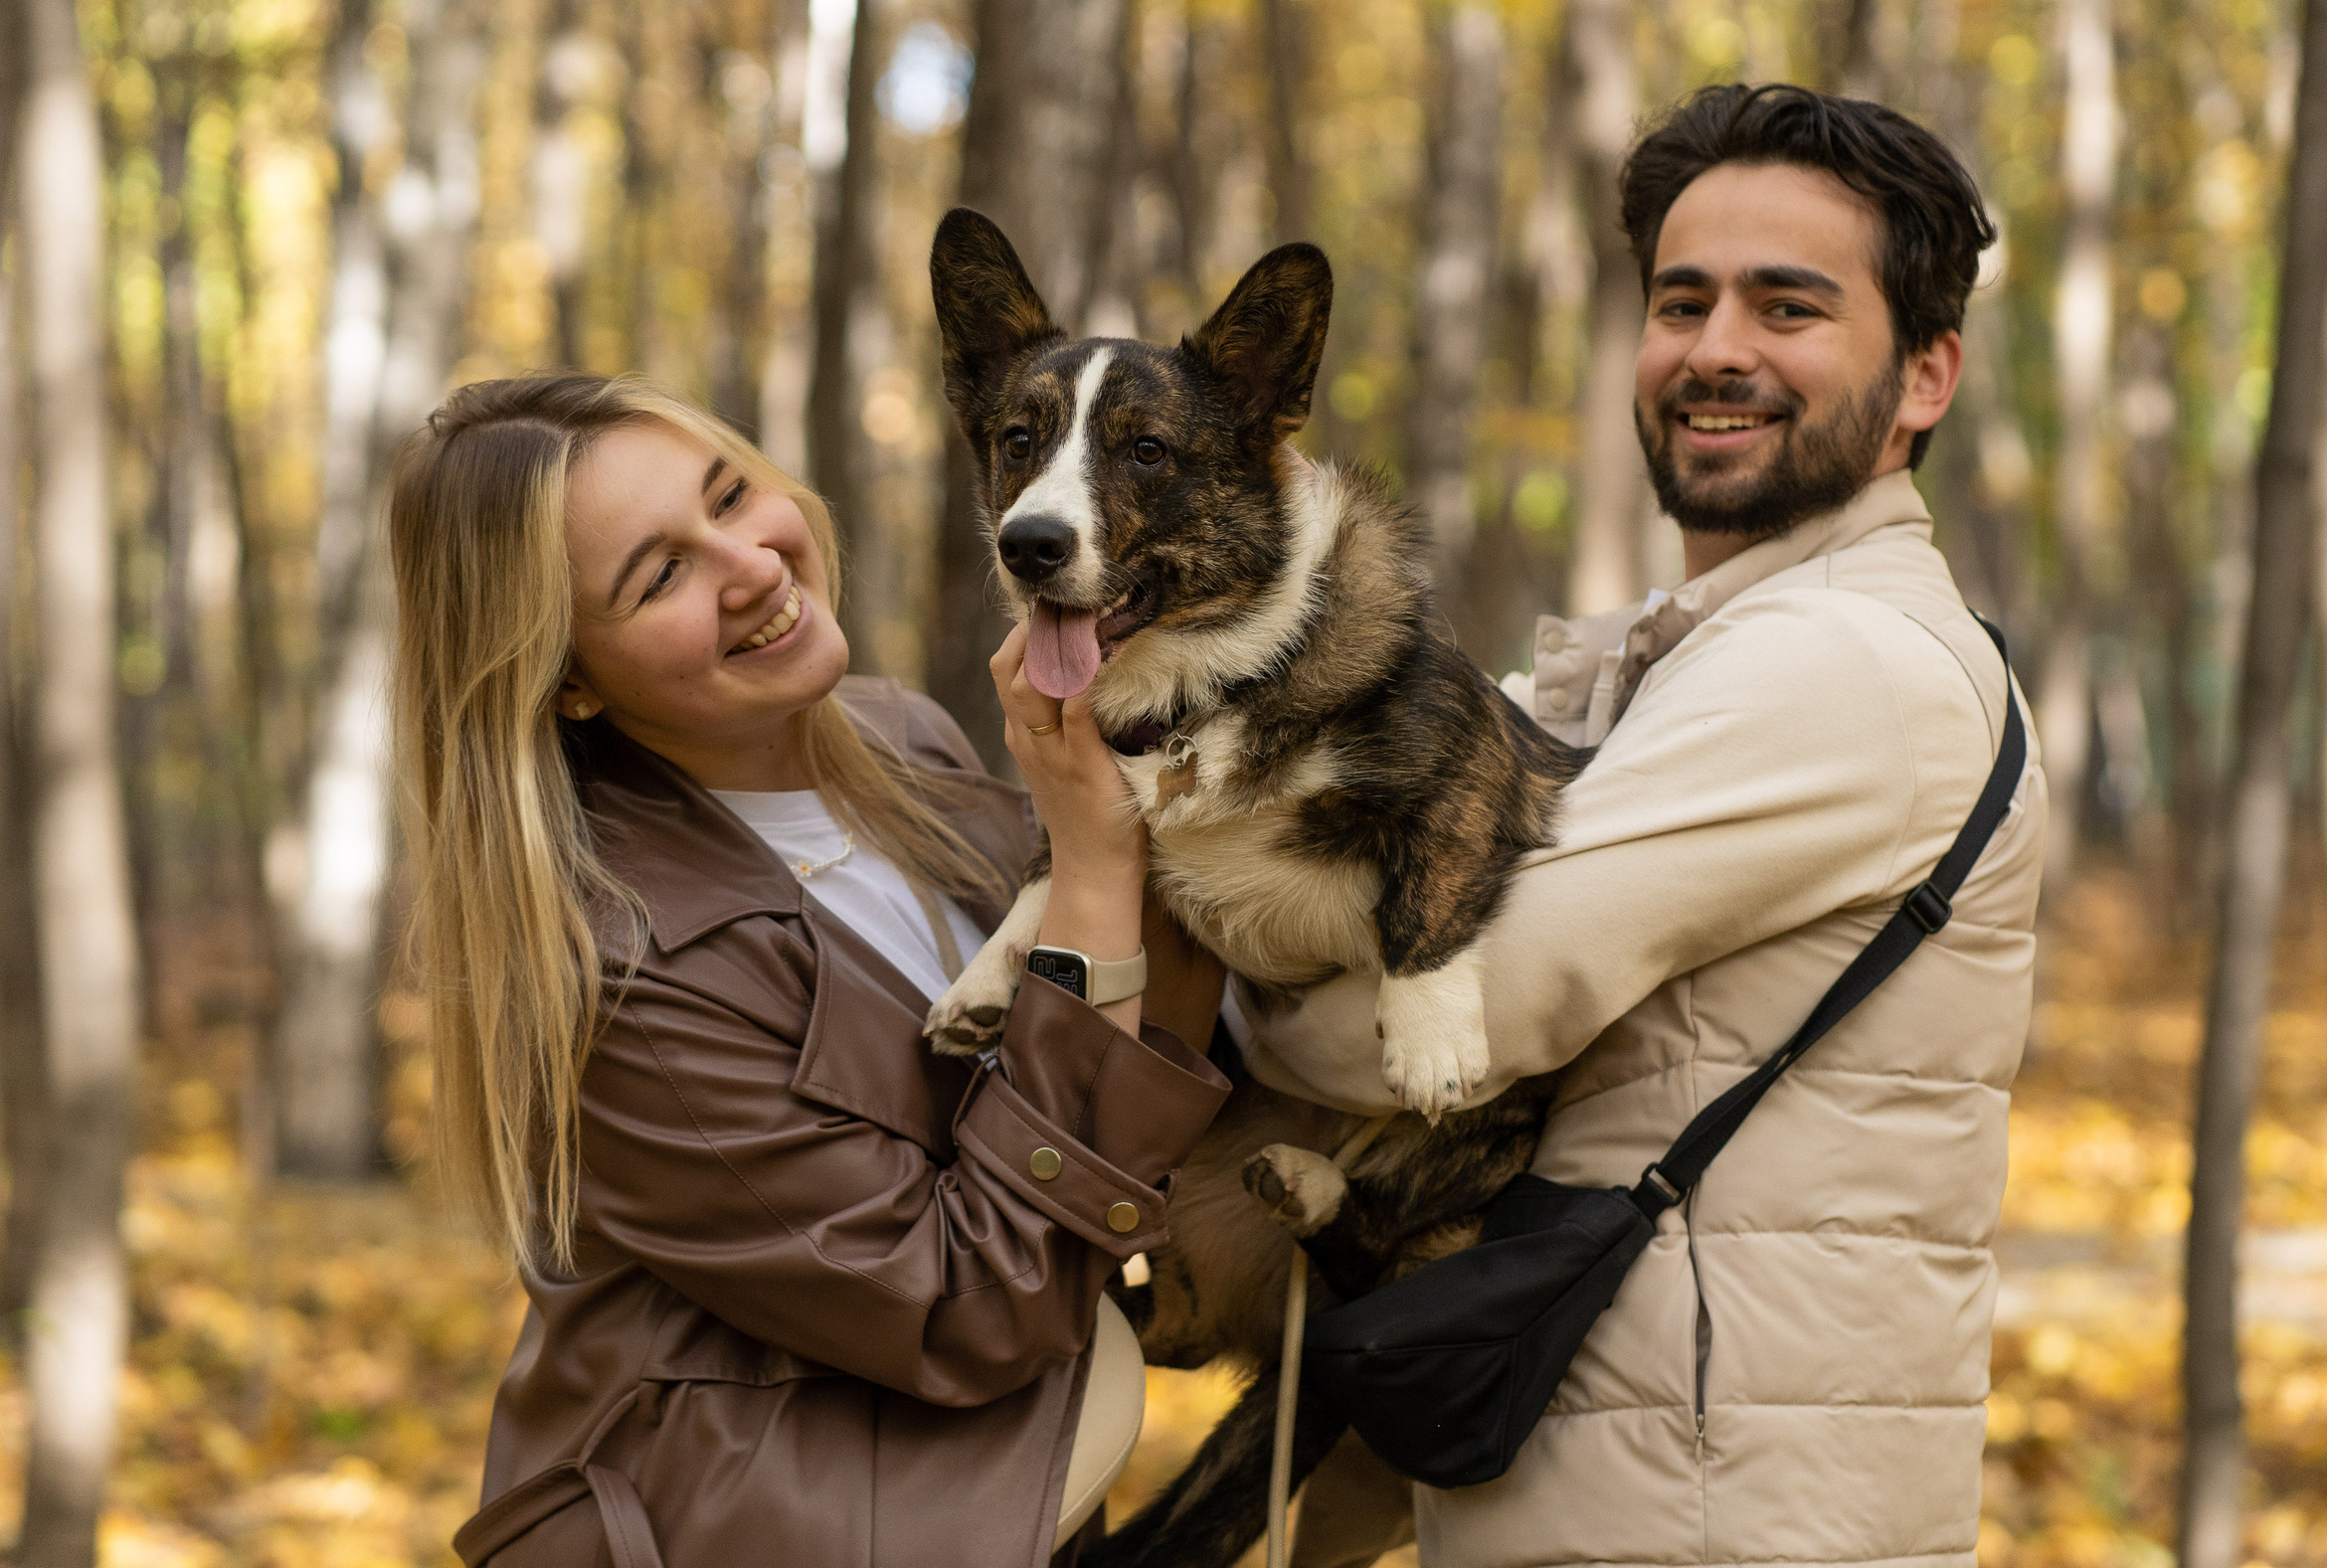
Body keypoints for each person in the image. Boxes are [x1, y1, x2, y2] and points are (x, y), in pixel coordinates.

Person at [1239, 84, 2050, 1568]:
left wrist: (1221, 978)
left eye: (1788, 305)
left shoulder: (1842, 664)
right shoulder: (1684, 658)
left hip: (1708, 1513)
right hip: (1644, 1485)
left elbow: (1470, 1004)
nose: (1716, 349)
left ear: (1925, 376)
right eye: (1683, 301)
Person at [393, 374, 1229, 1567]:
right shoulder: (623, 975)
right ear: (566, 677)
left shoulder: (904, 741)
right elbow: (970, 1301)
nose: (750, 565)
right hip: (763, 1527)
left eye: (731, 496)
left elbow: (1144, 1069)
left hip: (987, 1496)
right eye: (660, 574)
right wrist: (1095, 858)